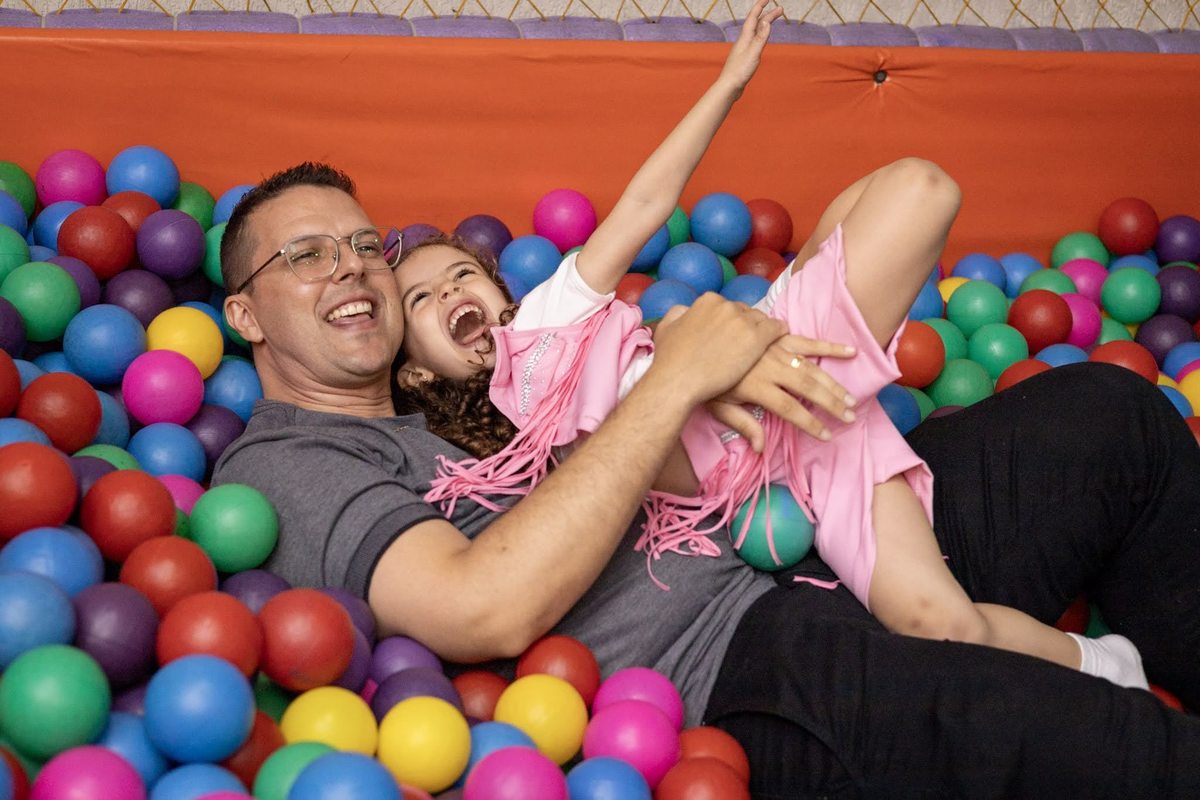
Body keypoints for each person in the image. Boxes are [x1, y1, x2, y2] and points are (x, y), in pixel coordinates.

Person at [213, 180, 1200, 796]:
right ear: (244, 312)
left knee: (1114, 417)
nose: (352, 268)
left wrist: (713, 369)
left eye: (361, 247)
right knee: (1111, 747)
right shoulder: (293, 459)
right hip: (732, 669)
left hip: (787, 526)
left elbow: (605, 361)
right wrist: (681, 376)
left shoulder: (452, 374)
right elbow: (482, 605)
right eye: (305, 254)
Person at [388, 0, 1146, 690]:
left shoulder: (549, 317)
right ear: (414, 366)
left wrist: (729, 83)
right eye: (423, 298)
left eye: (462, 273)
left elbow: (648, 203)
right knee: (942, 626)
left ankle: (801, 290)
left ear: (501, 289)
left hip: (787, 373)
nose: (453, 292)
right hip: (776, 468)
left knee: (924, 189)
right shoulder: (485, 461)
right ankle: (1106, 665)